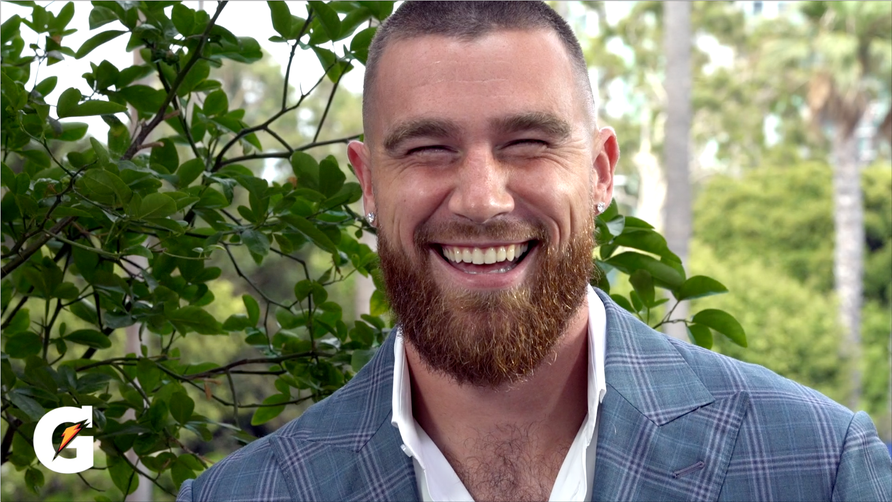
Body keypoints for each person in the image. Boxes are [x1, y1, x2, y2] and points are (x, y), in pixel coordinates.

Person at [177, 3, 892, 501]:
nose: (481, 199)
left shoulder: (818, 466)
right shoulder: (244, 494)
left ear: (602, 171)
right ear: (368, 184)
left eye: (527, 143)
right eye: (429, 150)